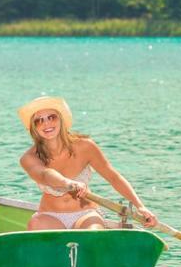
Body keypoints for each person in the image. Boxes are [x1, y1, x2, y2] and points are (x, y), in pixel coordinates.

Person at [18, 95, 158, 231]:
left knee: (93, 233)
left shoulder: (85, 146)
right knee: (36, 225)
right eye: (39, 120)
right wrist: (69, 183)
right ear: (33, 127)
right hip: (50, 216)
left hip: (85, 214)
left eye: (51, 117)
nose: (46, 123)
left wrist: (140, 206)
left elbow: (114, 177)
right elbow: (45, 175)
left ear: (61, 119)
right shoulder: (29, 158)